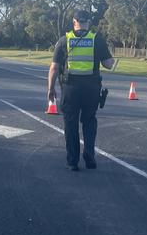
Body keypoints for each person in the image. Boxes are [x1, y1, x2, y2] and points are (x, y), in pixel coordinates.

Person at [47, 9, 115, 171]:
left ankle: (72, 161)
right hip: (91, 88)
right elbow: (108, 64)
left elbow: (54, 68)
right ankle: (89, 155)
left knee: (70, 124)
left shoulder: (64, 41)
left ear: (74, 22)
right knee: (89, 121)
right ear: (88, 23)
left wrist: (50, 89)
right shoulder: (97, 39)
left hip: (70, 88)